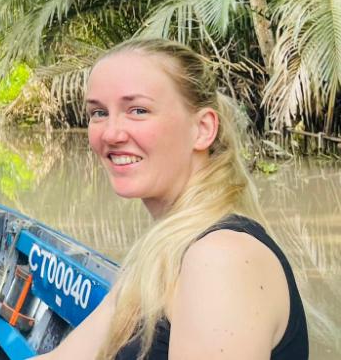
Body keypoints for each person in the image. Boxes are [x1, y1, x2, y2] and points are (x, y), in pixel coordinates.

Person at [41, 38, 308, 360]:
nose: (110, 134)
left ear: (203, 129)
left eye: (138, 110)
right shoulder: (162, 251)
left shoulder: (221, 258)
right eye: (98, 113)